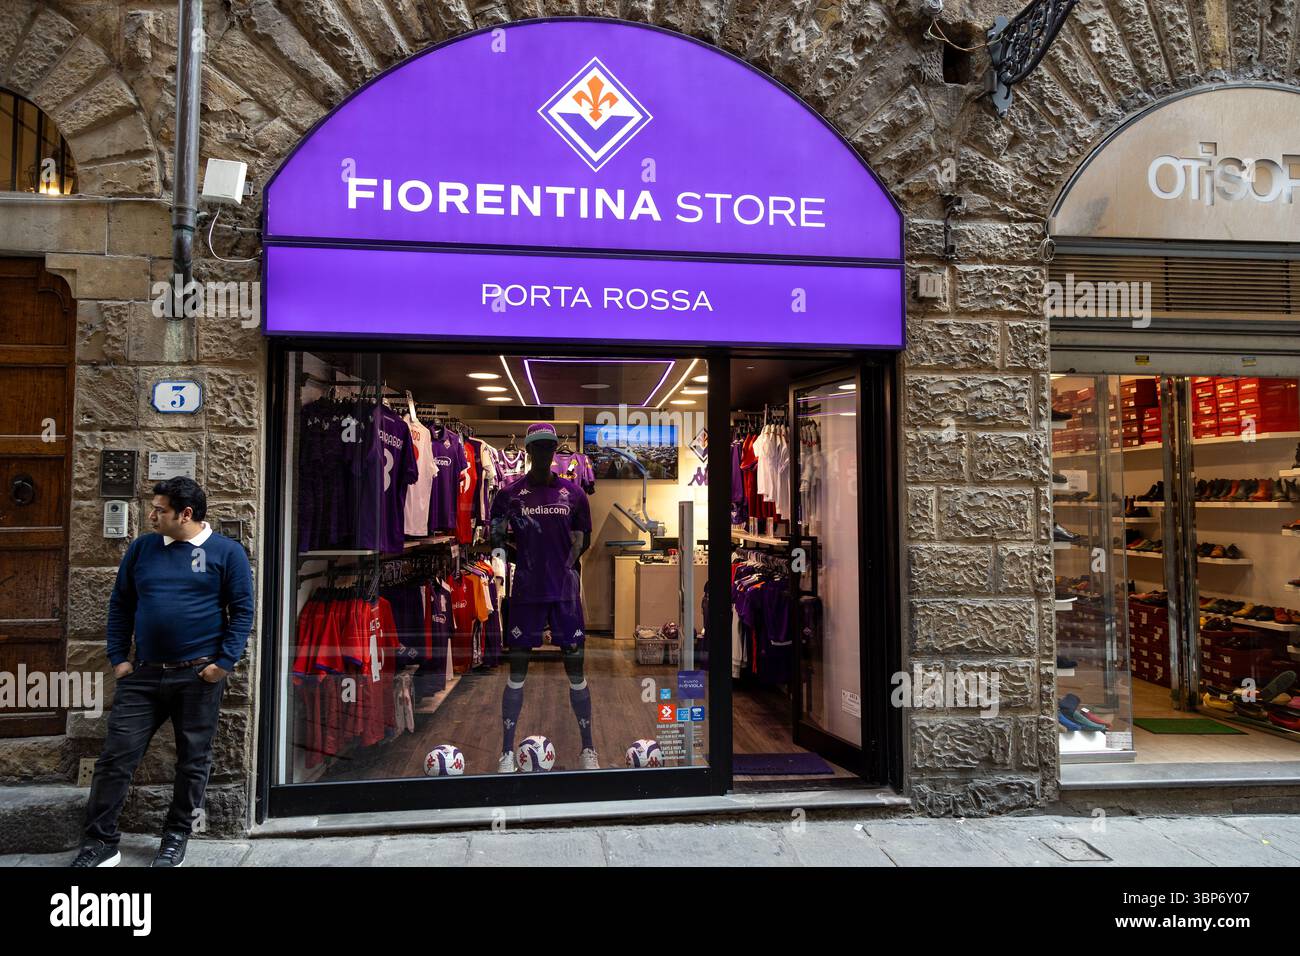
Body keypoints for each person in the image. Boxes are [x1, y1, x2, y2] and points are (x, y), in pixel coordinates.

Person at [71, 477, 254, 867]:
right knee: (116, 757)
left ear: (185, 514)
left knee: (192, 759)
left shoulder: (226, 553)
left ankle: (175, 836)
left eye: (160, 509)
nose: (151, 514)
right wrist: (119, 658)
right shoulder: (142, 548)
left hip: (196, 677)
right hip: (143, 675)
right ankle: (100, 842)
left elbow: (242, 612)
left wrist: (223, 664)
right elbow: (121, 604)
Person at [490, 423, 597, 771]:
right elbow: (496, 540)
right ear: (528, 449)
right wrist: (521, 563)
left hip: (563, 593)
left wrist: (566, 569)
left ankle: (588, 748)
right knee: (517, 669)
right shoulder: (509, 495)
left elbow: (584, 539)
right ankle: (506, 750)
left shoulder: (574, 494)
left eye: (549, 446)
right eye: (538, 446)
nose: (544, 452)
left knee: (576, 667)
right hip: (526, 592)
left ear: (554, 451)